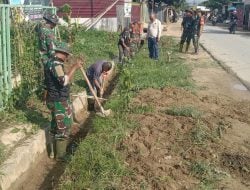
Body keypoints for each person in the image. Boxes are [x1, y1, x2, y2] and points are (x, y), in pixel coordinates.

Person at [44, 41, 83, 160]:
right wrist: (74, 68)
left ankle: (52, 152)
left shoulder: (49, 62)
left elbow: (46, 83)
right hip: (59, 100)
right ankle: (60, 156)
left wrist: (45, 97)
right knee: (63, 127)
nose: (67, 58)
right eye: (67, 55)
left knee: (56, 124)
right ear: (64, 54)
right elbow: (63, 81)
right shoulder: (56, 64)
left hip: (53, 99)